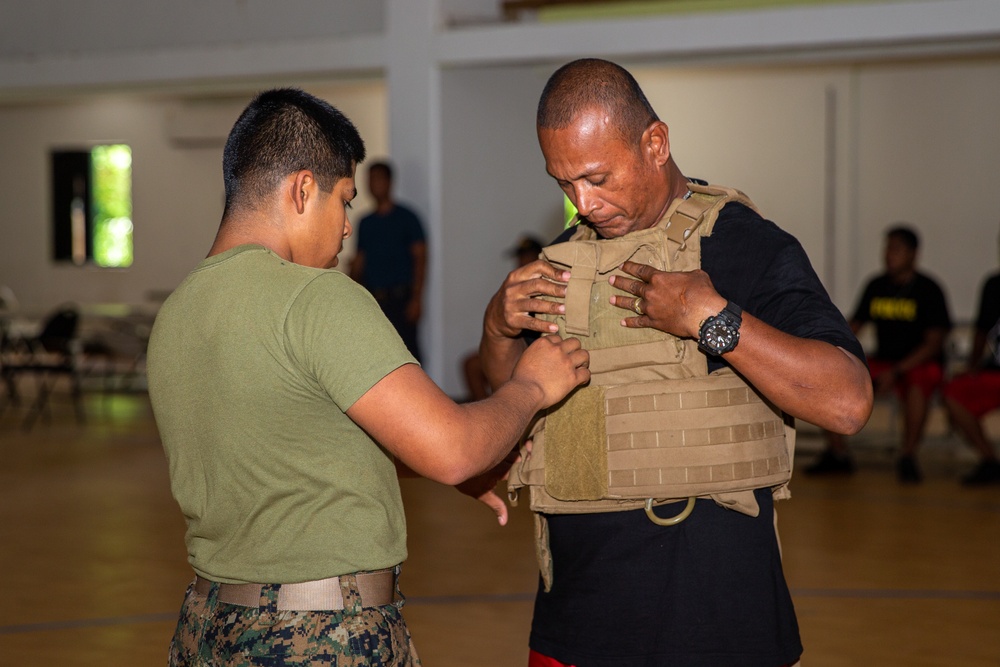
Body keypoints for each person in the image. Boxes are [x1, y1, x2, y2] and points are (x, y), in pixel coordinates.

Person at [146, 88, 590, 666]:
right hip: (316, 640)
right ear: (302, 189)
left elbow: (285, 444)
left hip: (207, 631)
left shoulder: (179, 312)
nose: (347, 227)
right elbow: (456, 449)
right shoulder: (316, 296)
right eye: (344, 201)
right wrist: (530, 387)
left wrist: (421, 454)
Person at [479, 59, 872, 667]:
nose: (582, 203)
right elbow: (511, 400)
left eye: (597, 177)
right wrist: (498, 327)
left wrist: (711, 318)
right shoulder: (564, 261)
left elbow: (847, 401)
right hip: (575, 623)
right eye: (563, 184)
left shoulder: (743, 244)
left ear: (655, 143)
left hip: (716, 620)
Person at [806, 225, 952, 483]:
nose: (888, 255)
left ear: (913, 254)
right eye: (887, 248)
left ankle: (907, 456)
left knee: (919, 384)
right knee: (827, 376)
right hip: (883, 360)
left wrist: (896, 372)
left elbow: (933, 344)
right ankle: (838, 454)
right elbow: (852, 330)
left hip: (917, 363)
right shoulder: (876, 285)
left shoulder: (928, 289)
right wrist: (828, 352)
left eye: (896, 249)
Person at [349, 161, 427, 361]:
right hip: (374, 300)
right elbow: (359, 262)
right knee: (376, 356)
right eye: (369, 180)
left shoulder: (407, 218)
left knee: (408, 354)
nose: (373, 184)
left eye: (378, 179)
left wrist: (417, 299)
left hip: (401, 298)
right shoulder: (365, 223)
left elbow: (420, 259)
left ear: (390, 182)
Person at [942, 237, 1000, 485]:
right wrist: (972, 367)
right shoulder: (994, 285)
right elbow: (980, 332)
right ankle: (989, 460)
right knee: (955, 392)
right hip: (995, 371)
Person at [463, 235, 544, 402]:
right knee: (472, 365)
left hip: (537, 350)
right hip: (515, 346)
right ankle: (489, 413)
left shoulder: (546, 285)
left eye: (527, 256)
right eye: (520, 257)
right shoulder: (515, 287)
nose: (521, 261)